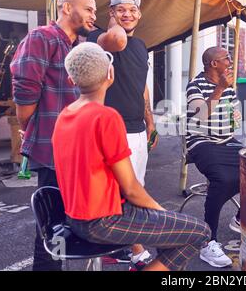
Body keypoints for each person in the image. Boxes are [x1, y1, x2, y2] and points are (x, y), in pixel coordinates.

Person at [52, 42, 210, 271]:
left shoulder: (65, 115)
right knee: (199, 232)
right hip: (104, 221)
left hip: (76, 219)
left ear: (71, 80)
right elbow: (132, 188)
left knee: (174, 232)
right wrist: (163, 212)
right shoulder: (106, 117)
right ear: (110, 74)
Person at [10, 0, 97, 271]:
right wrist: (30, 126)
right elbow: (25, 87)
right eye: (89, 9)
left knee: (70, 223)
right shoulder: (42, 37)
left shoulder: (78, 46)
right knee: (52, 227)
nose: (93, 16)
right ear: (67, 7)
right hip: (53, 150)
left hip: (77, 151)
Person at [87, 0, 156, 269]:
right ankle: (138, 251)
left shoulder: (140, 46)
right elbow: (116, 38)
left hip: (138, 129)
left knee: (136, 186)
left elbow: (141, 87)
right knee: (121, 192)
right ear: (111, 12)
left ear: (139, 15)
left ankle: (121, 245)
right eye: (120, 9)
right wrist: (114, 22)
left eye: (132, 10)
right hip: (112, 130)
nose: (127, 14)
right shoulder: (98, 38)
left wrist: (150, 120)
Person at [186, 47, 242, 268]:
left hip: (226, 141)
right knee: (223, 179)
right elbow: (200, 115)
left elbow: (234, 121)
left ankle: (241, 218)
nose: (230, 61)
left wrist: (235, 117)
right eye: (226, 58)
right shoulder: (195, 85)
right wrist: (220, 89)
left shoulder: (229, 87)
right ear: (213, 64)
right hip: (202, 142)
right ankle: (208, 242)